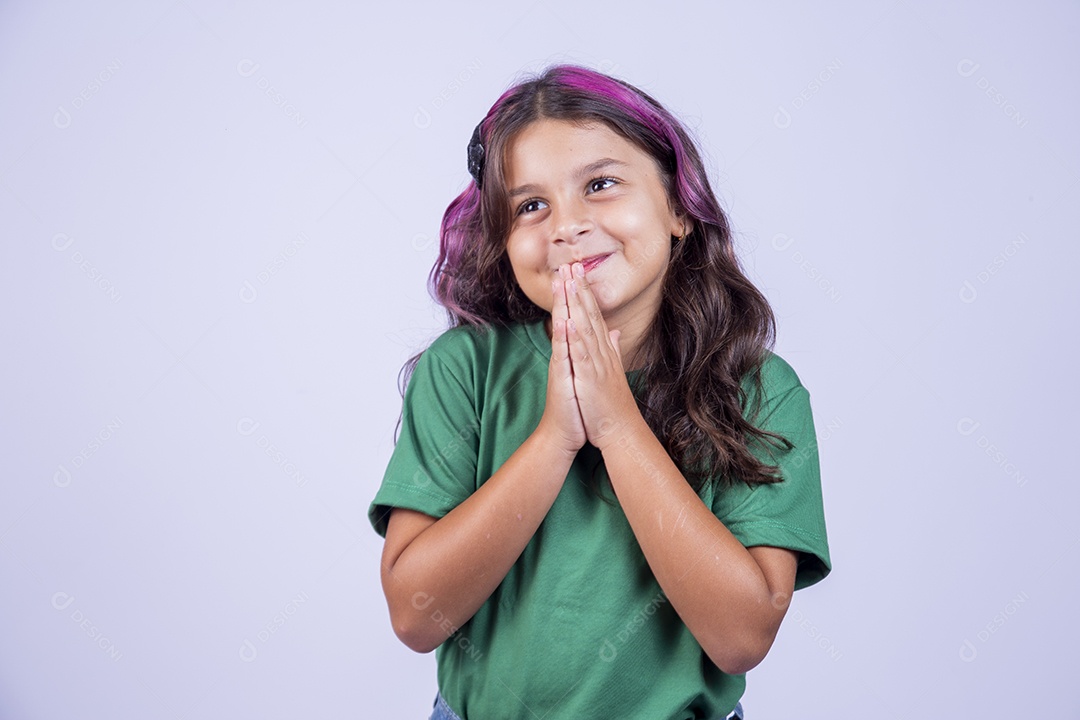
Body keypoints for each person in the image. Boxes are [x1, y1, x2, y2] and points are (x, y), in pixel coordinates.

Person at [368, 64, 831, 720]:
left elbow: (741, 638)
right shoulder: (463, 370)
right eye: (531, 206)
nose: (567, 225)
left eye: (600, 184)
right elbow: (416, 617)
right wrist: (555, 438)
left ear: (678, 207)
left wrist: (616, 424)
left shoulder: (761, 390)